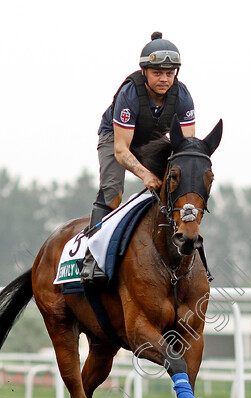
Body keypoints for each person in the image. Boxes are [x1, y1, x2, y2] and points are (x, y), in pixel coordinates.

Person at [80, 31, 197, 285]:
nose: (164, 79)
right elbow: (122, 150)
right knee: (114, 193)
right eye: (157, 73)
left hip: (152, 137)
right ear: (144, 71)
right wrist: (145, 174)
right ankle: (92, 257)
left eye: (170, 73)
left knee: (180, 182)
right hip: (117, 137)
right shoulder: (129, 94)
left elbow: (185, 147)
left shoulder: (183, 95)